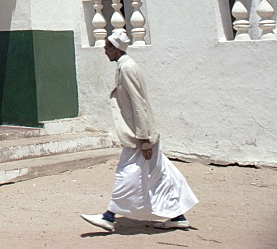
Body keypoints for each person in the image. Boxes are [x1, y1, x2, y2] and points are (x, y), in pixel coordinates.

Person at [81, 29, 198, 232]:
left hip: (138, 136)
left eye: (107, 47)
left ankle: (109, 216)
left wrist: (144, 138)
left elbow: (138, 103)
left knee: (127, 173)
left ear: (116, 49)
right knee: (159, 173)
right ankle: (177, 216)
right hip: (140, 133)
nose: (104, 50)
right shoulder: (124, 66)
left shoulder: (127, 68)